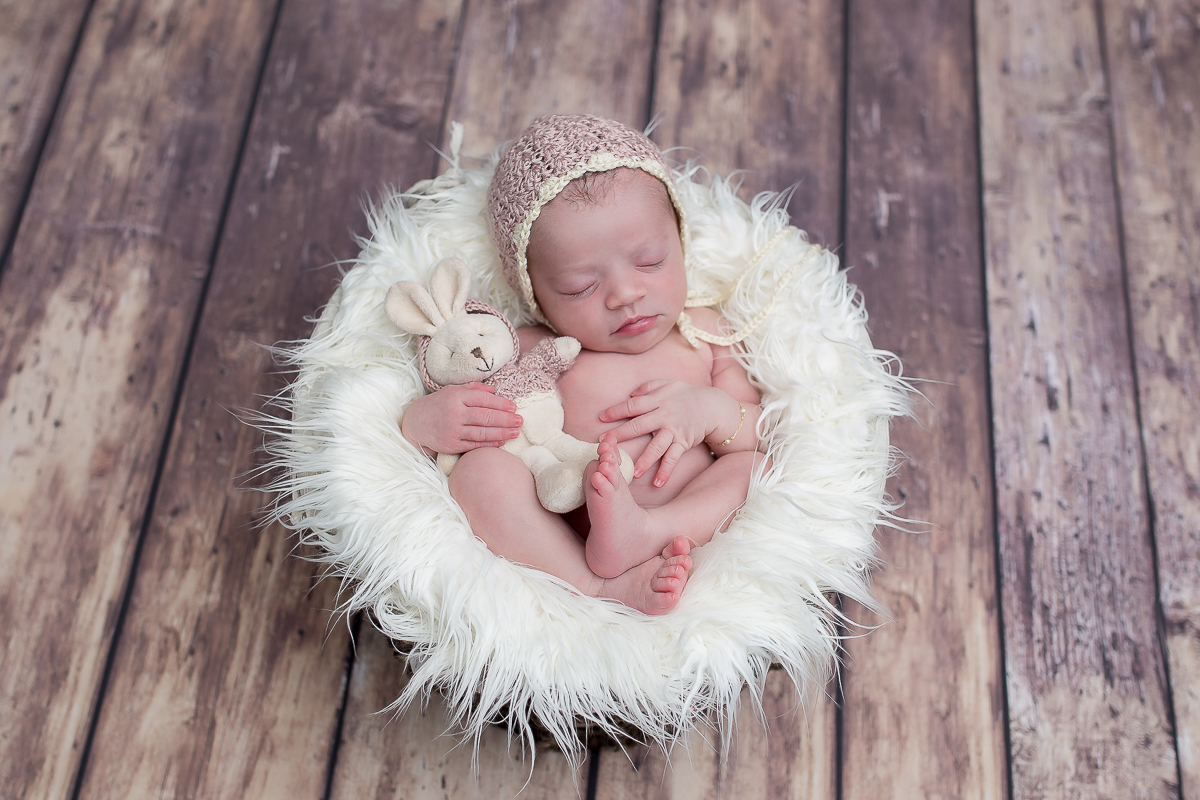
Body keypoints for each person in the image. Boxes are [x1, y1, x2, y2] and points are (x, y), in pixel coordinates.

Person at [399, 114, 766, 615]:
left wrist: (714, 410)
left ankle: (644, 533)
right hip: (568, 515)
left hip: (683, 510)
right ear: (536, 296)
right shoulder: (526, 347)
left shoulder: (705, 333)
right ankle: (591, 587)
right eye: (580, 287)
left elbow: (757, 432)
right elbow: (443, 434)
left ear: (680, 241)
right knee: (479, 475)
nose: (625, 294)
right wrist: (426, 425)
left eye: (651, 260)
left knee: (754, 469)